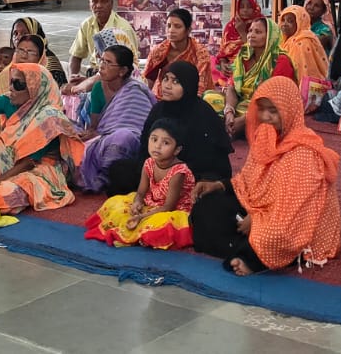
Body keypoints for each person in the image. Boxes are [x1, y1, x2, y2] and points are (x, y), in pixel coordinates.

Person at [191, 77, 341, 275]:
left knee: (273, 234)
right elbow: (247, 181)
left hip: (294, 221)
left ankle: (255, 257)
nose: (265, 116)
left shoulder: (304, 152)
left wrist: (257, 220)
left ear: (290, 109)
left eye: (273, 111)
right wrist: (219, 185)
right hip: (261, 210)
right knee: (207, 206)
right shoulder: (266, 135)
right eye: (261, 109)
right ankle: (249, 249)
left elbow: (297, 209)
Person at [0, 63, 85, 213]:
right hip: (8, 157)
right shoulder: (8, 101)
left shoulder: (49, 118)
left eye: (18, 84)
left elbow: (27, 163)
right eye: (11, 82)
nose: (11, 88)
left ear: (35, 89)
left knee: (4, 196)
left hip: (36, 169)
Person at [109, 61, 234, 199]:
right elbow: (145, 147)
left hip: (190, 175)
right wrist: (155, 170)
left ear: (188, 85)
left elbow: (213, 163)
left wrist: (174, 170)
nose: (167, 86)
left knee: (209, 197)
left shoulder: (203, 114)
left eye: (175, 82)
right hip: (157, 171)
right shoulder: (158, 110)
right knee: (119, 170)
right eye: (165, 79)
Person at [84, 119, 196, 249]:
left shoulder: (178, 172)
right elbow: (141, 192)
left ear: (177, 150)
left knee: (160, 224)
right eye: (154, 140)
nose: (157, 146)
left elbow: (168, 207)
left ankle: (140, 231)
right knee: (116, 205)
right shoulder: (149, 163)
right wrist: (137, 203)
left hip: (172, 210)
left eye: (165, 143)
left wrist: (141, 217)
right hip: (152, 204)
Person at [68, 45, 156, 194]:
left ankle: (104, 178)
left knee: (123, 137)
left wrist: (101, 134)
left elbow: (141, 127)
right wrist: (90, 133)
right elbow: (95, 126)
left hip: (131, 141)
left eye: (108, 63)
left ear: (122, 71)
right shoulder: (98, 88)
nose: (102, 66)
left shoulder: (135, 91)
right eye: (102, 61)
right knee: (62, 126)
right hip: (102, 137)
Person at [223, 18, 294, 136]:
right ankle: (231, 124)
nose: (251, 35)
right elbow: (232, 87)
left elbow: (275, 99)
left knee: (268, 118)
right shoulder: (243, 55)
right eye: (250, 31)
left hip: (268, 107)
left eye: (258, 32)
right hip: (242, 104)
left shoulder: (280, 60)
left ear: (271, 36)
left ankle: (237, 127)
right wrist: (229, 111)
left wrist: (244, 120)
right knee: (210, 99)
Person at [67, 0, 138, 76]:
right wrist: (72, 78)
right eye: (94, 1)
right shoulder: (86, 24)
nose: (99, 5)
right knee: (64, 66)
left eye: (104, 1)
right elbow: (76, 56)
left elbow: (130, 66)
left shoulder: (123, 28)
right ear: (90, 5)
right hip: (93, 71)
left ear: (111, 4)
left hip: (116, 76)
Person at [142, 9, 212, 100]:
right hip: (162, 98)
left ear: (188, 30)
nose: (171, 30)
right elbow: (149, 80)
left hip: (193, 100)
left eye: (177, 26)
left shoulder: (200, 53)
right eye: (169, 26)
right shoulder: (159, 51)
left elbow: (200, 85)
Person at [278, 5, 331, 102]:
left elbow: (301, 74)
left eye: (290, 21)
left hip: (307, 92)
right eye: (283, 20)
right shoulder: (285, 40)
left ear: (300, 23)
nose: (284, 24)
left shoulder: (302, 43)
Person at [214, 0, 262, 83]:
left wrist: (242, 32)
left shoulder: (262, 25)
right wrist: (223, 63)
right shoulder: (230, 26)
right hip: (231, 67)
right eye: (242, 7)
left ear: (255, 8)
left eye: (249, 7)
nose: (245, 10)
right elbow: (223, 51)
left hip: (254, 67)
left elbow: (256, 53)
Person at [10, 17, 68, 86]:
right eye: (15, 33)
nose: (18, 37)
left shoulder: (48, 61)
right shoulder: (13, 56)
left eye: (24, 34)